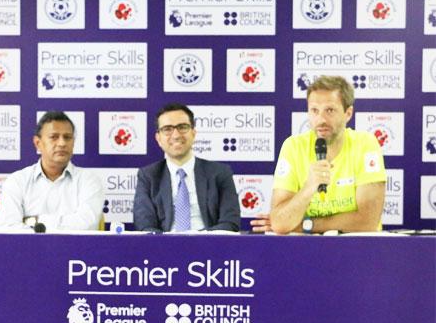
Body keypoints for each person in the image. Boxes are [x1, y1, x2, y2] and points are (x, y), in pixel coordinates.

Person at [258, 75, 386, 234]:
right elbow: (280, 222)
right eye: (314, 111)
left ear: (348, 113)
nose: (321, 119)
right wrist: (309, 187)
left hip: (357, 250)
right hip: (306, 251)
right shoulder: (293, 147)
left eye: (330, 110)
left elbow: (367, 221)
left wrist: (305, 225)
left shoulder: (365, 144)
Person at [133, 103, 240, 233]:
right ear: (158, 138)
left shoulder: (220, 173)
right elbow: (144, 225)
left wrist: (198, 241)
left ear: (193, 133)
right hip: (163, 248)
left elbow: (230, 223)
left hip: (210, 248)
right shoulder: (148, 176)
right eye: (167, 129)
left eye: (182, 127)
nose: (176, 135)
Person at [0, 111, 103, 230]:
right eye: (54, 137)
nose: (62, 143)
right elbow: (8, 228)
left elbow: (87, 225)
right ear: (38, 143)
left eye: (67, 137)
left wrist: (36, 222)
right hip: (29, 249)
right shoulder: (17, 181)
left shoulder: (89, 181)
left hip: (76, 249)